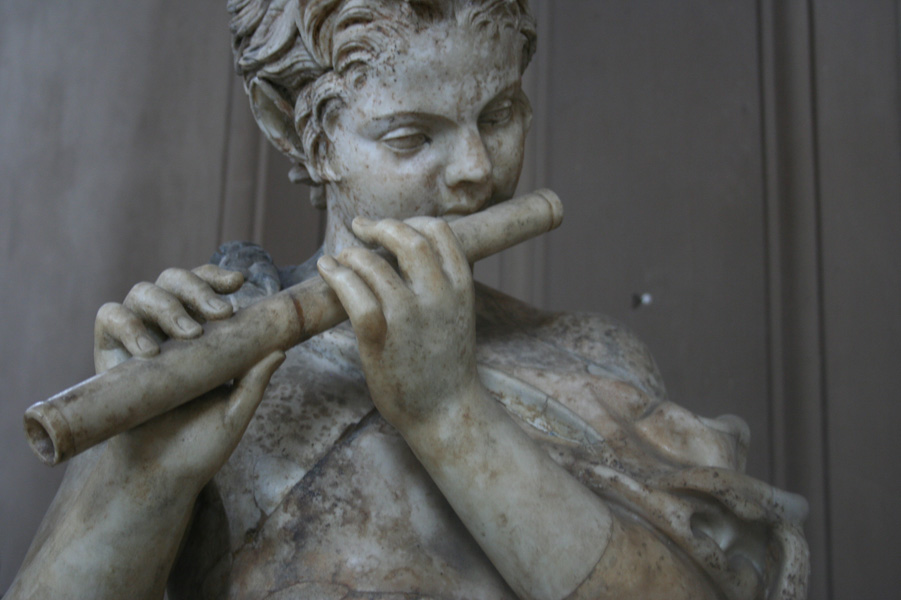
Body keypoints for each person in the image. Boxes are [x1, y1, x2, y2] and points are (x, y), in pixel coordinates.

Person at [7, 1, 809, 599]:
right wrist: (139, 482)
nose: (474, 170)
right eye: (410, 137)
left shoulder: (595, 360)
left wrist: (449, 415)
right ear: (296, 128)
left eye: (499, 114)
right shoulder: (203, 370)